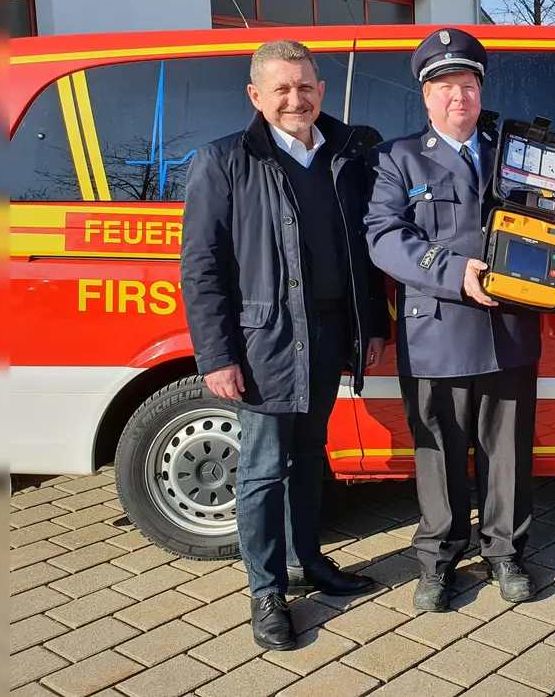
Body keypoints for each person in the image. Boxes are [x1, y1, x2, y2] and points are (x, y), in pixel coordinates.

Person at [181, 39, 390, 651]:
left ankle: (309, 563)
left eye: (305, 87)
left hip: (330, 332)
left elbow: (367, 253)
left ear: (321, 90)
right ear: (256, 96)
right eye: (281, 89)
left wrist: (371, 324)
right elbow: (201, 267)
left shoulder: (350, 153)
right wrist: (216, 355)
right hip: (264, 339)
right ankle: (266, 592)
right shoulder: (224, 161)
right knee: (263, 469)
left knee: (309, 456)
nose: (295, 99)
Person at [365, 28, 555, 613]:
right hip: (435, 328)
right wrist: (452, 270)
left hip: (508, 327)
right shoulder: (397, 157)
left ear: (480, 90)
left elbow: (542, 221)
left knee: (507, 450)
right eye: (443, 85)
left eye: (467, 84)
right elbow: (384, 238)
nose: (457, 96)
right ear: (425, 95)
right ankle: (438, 560)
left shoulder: (517, 153)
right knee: (438, 449)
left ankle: (506, 552)